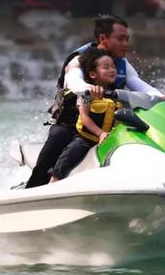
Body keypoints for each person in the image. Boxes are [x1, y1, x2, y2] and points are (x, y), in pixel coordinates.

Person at [25, 14, 165, 188]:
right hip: (70, 123)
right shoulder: (80, 59)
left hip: (103, 125)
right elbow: (74, 81)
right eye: (120, 39)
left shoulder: (122, 64)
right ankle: (35, 187)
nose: (126, 44)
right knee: (58, 138)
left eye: (127, 39)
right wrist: (89, 88)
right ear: (103, 39)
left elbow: (141, 86)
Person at [49, 48, 119, 183]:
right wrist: (100, 133)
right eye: (106, 67)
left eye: (113, 67)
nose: (112, 70)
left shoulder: (119, 92)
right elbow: (84, 118)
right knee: (74, 150)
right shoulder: (85, 93)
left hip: (110, 137)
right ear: (93, 74)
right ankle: (54, 181)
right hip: (86, 139)